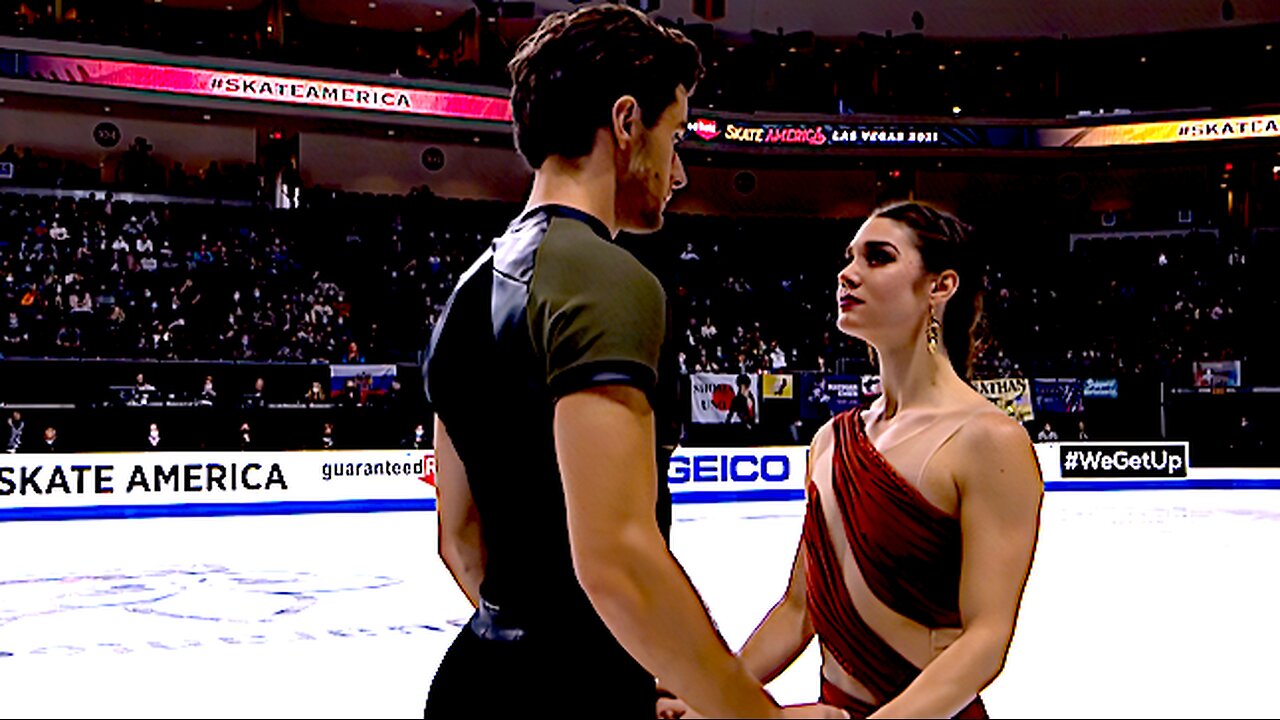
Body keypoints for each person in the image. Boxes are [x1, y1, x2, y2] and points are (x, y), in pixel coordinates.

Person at [422, 5, 840, 719]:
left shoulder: (466, 293)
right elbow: (617, 559)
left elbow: (459, 539)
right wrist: (756, 717)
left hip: (476, 678)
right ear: (624, 123)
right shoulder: (604, 279)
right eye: (673, 135)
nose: (677, 171)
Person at [659, 201, 1043, 719]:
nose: (848, 273)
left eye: (877, 258)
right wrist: (714, 697)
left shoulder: (988, 441)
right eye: (849, 258)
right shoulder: (831, 441)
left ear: (940, 286)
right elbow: (799, 610)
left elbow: (986, 641)